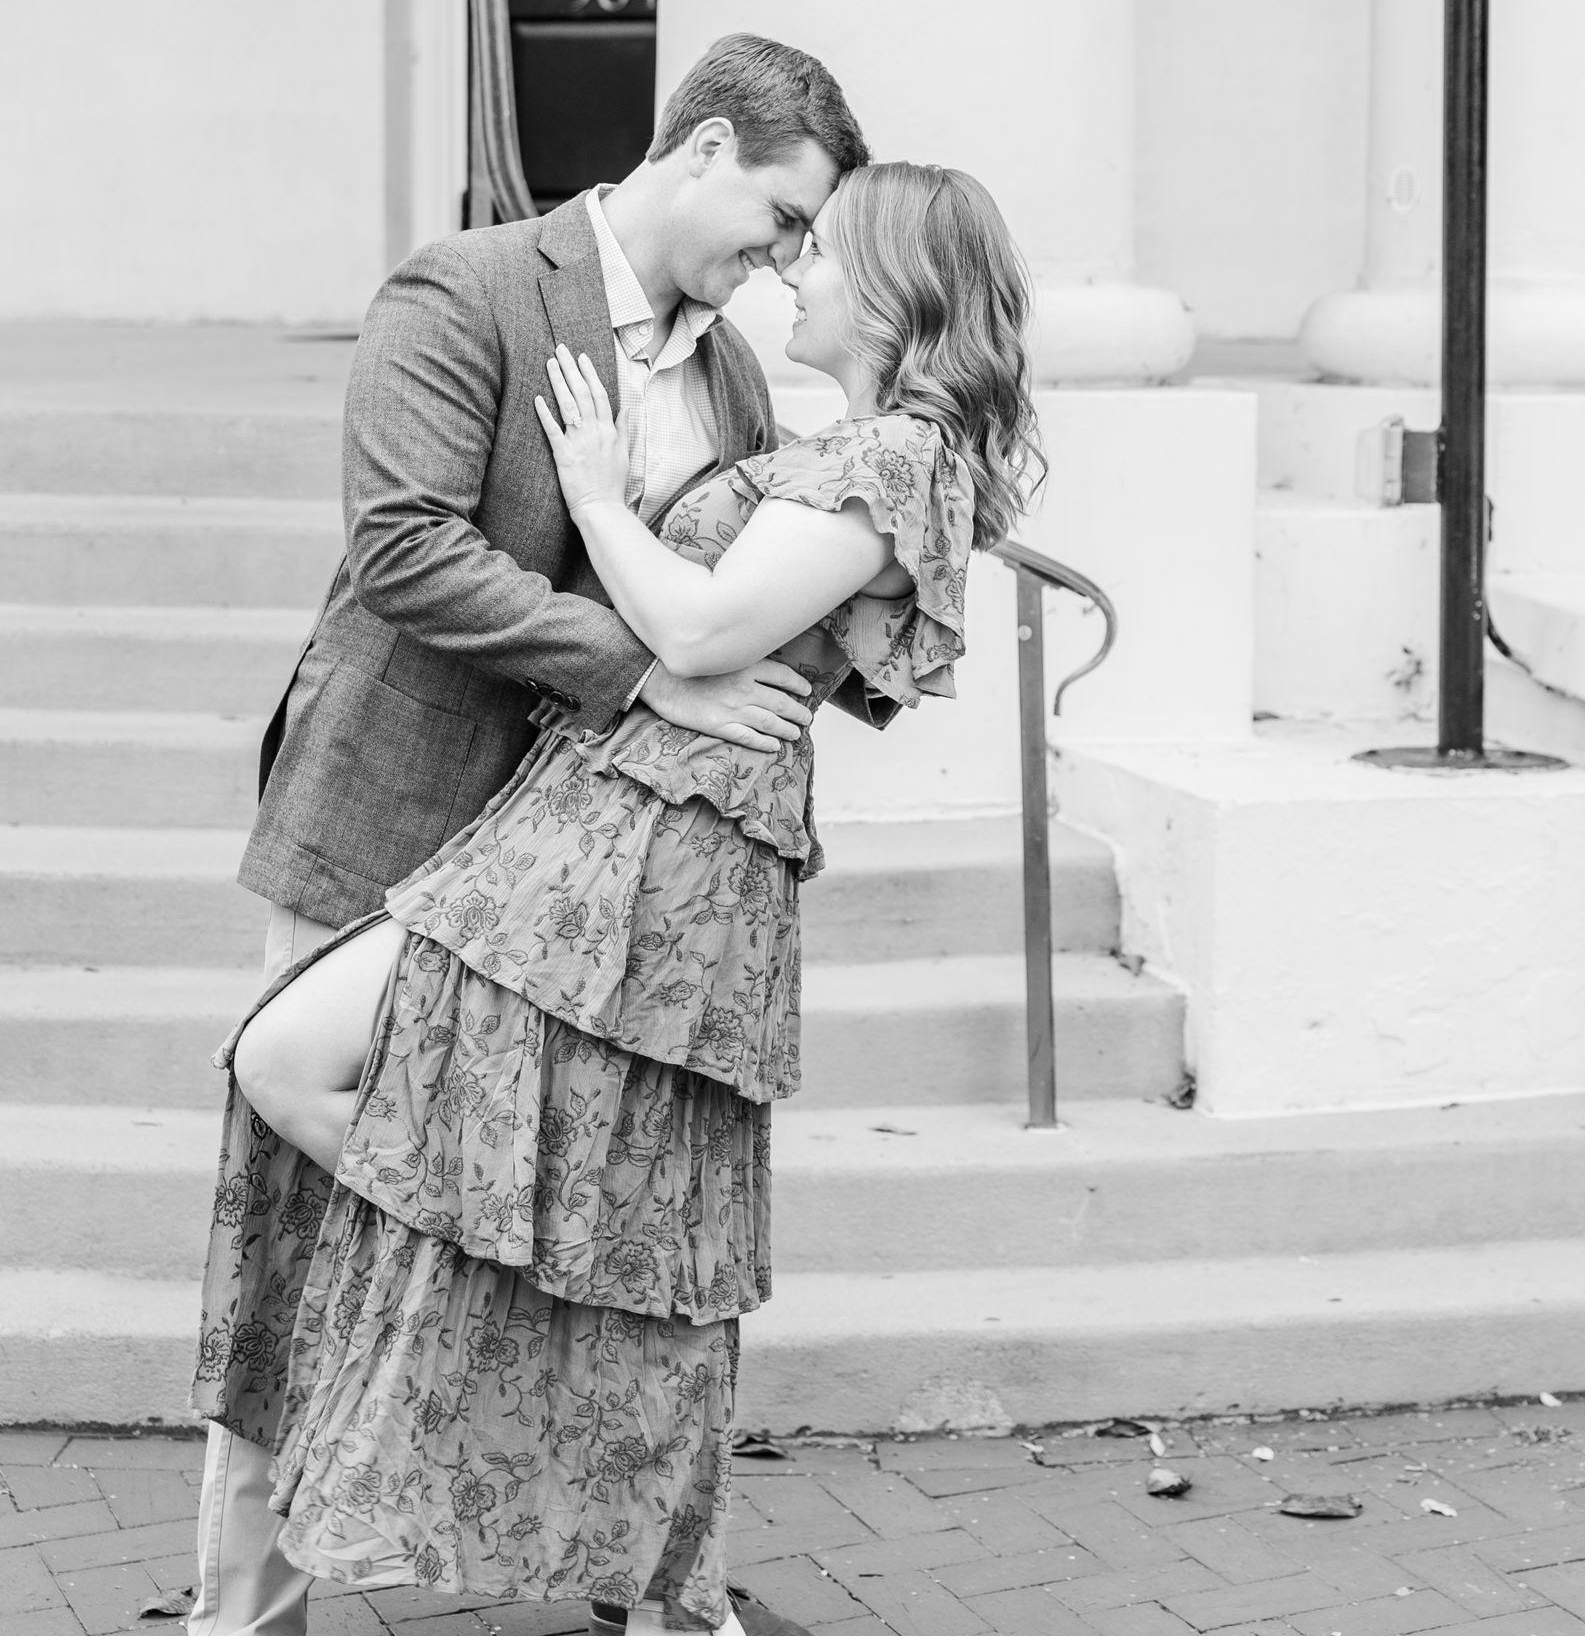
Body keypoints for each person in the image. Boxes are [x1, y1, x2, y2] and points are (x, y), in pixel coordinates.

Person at [195, 163, 1042, 1636]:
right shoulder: (490, 298)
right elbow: (411, 548)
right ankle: (304, 1578)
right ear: (708, 149)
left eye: (822, 246)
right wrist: (672, 652)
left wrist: (606, 510)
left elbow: (714, 626)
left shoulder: (856, 439)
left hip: (643, 843)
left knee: (607, 1194)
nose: (792, 265)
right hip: (516, 804)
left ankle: (646, 1558)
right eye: (789, 224)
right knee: (324, 1094)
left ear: (896, 291)